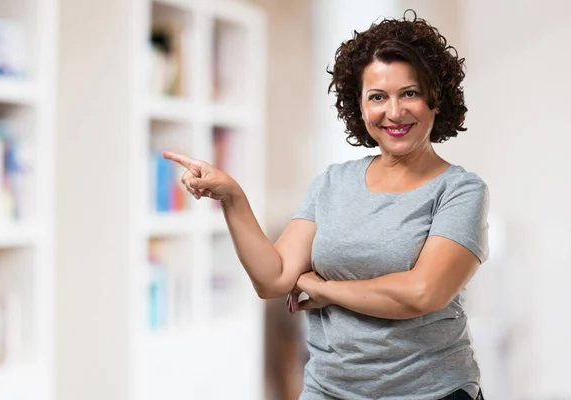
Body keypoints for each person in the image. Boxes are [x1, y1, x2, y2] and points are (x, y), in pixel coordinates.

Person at [164, 10, 488, 400]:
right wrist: (233, 197)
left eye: (410, 93)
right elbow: (275, 278)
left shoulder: (460, 190)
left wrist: (327, 290)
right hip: (329, 390)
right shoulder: (334, 183)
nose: (394, 111)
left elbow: (422, 293)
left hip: (430, 392)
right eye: (377, 97)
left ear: (436, 98)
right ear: (360, 105)